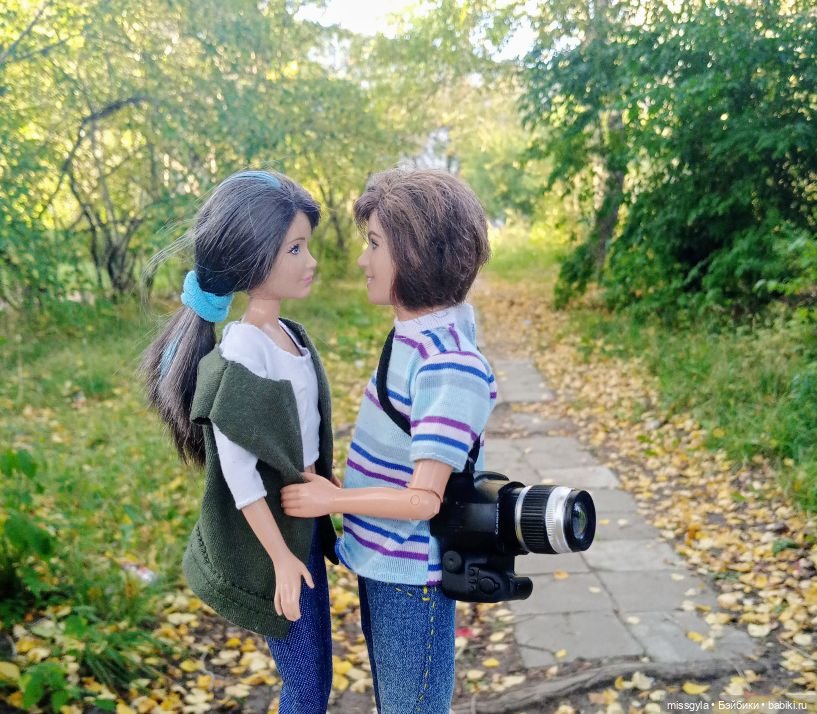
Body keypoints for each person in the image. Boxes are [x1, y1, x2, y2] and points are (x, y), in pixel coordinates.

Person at [281, 168, 496, 714]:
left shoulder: (448, 364)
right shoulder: (414, 337)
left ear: (418, 253)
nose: (361, 260)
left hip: (413, 573)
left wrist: (334, 501)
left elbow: (423, 500)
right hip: (383, 562)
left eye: (375, 243)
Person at [142, 170, 337, 714]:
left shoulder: (290, 335)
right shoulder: (243, 352)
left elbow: (304, 433)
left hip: (304, 527)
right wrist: (277, 557)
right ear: (254, 260)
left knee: (316, 672)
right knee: (304, 683)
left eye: (307, 246)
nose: (310, 260)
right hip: (271, 542)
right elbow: (239, 473)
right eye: (295, 248)